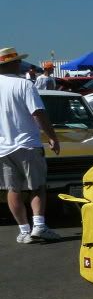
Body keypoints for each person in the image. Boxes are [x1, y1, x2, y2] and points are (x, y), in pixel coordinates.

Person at [0, 46, 61, 243]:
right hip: (27, 143)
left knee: (13, 189)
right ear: (14, 63)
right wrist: (52, 136)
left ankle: (24, 230)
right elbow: (38, 113)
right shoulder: (24, 85)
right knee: (37, 187)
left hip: (3, 147)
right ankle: (39, 226)